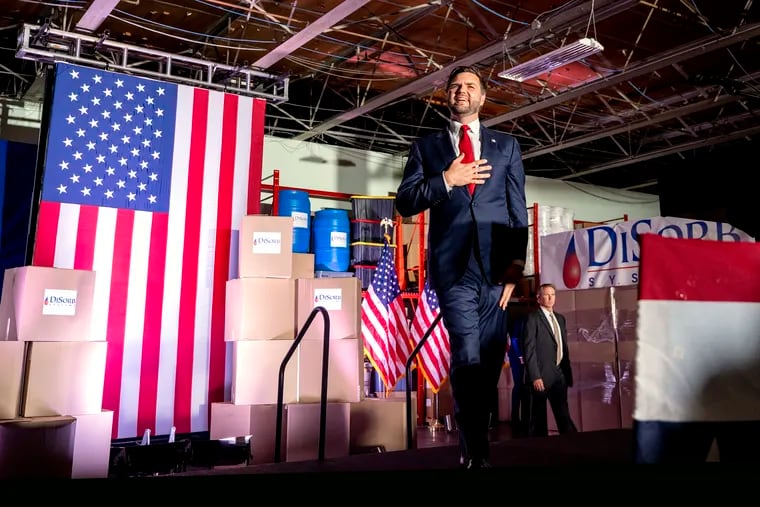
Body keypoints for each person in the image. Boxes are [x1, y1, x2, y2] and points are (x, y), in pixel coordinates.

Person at [395, 65, 529, 469]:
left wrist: (513, 273)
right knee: (466, 353)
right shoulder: (427, 148)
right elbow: (405, 203)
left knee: (488, 361)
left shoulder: (506, 146)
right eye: (455, 86)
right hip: (454, 268)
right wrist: (447, 180)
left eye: (470, 86)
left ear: (483, 97)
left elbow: (517, 214)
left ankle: (471, 440)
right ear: (446, 96)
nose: (462, 91)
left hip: (495, 271)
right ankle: (477, 451)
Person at [522, 283, 577, 437]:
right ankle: (538, 451)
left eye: (553, 294)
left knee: (563, 414)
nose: (550, 297)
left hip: (559, 373)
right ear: (539, 298)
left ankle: (573, 445)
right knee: (538, 419)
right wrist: (535, 376)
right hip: (541, 375)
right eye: (546, 294)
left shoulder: (560, 319)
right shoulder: (532, 319)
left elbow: (561, 346)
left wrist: (566, 373)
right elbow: (529, 349)